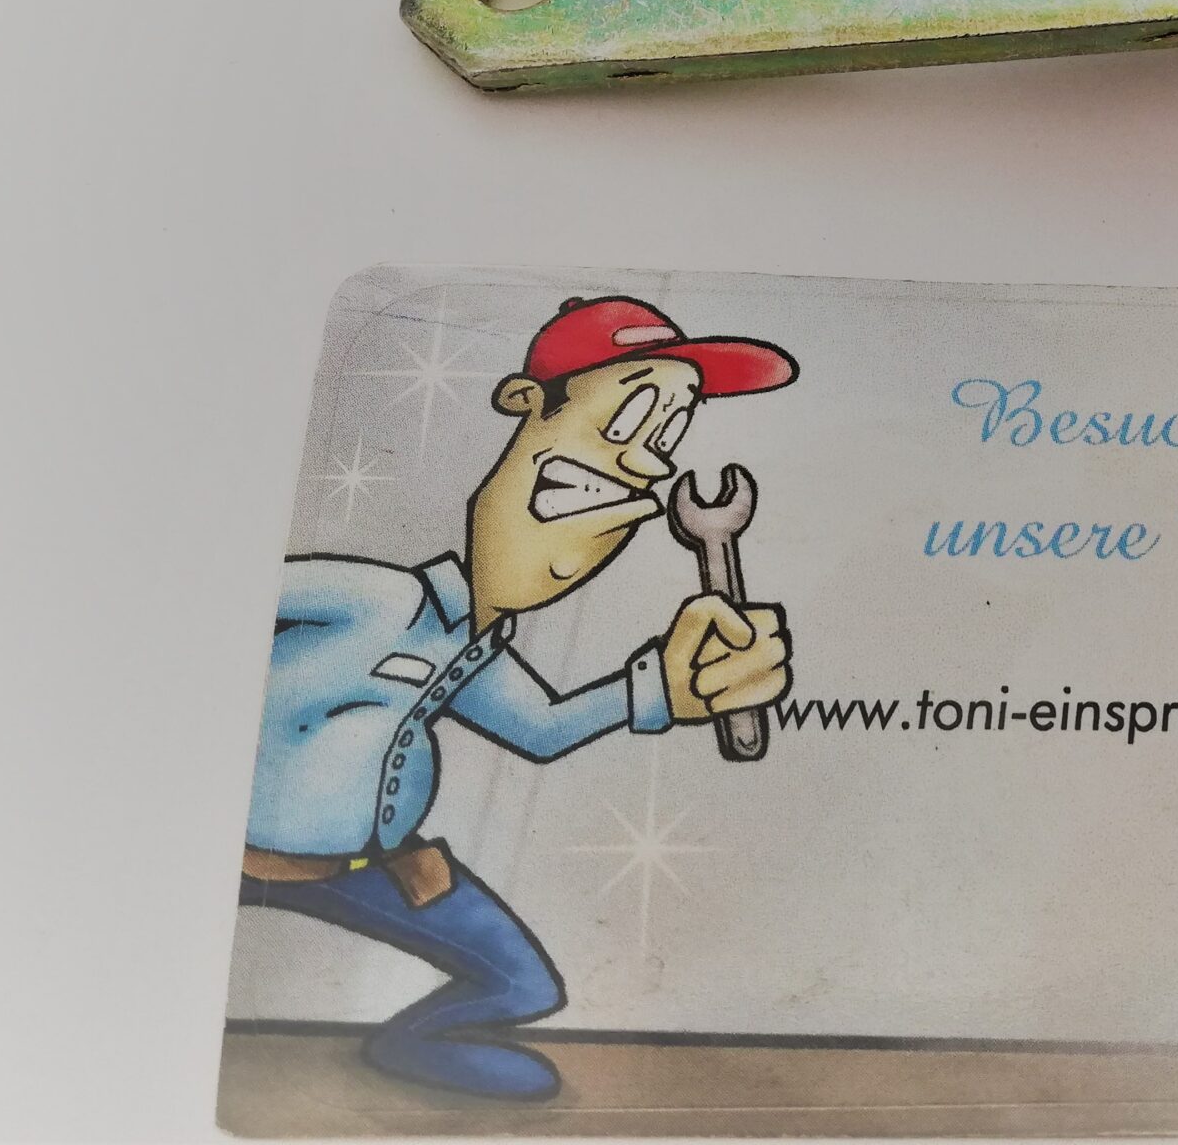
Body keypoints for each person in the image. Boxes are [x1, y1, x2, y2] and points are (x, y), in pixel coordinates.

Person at [240, 296, 797, 1100]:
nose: (646, 461)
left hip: (376, 870)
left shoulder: (475, 650)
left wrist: (665, 689)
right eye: (631, 414)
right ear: (526, 403)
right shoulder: (374, 598)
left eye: (668, 432)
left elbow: (541, 727)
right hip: (227, 853)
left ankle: (409, 1048)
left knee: (526, 986)